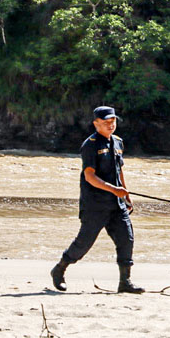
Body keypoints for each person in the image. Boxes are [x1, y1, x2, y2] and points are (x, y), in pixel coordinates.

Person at [49, 106, 144, 293]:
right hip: (95, 205)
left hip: (117, 204)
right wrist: (113, 189)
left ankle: (125, 283)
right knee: (84, 242)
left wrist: (125, 195)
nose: (111, 125)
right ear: (96, 124)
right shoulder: (90, 145)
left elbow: (119, 171)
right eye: (106, 122)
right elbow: (90, 176)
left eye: (113, 122)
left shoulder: (118, 142)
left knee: (127, 238)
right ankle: (59, 269)